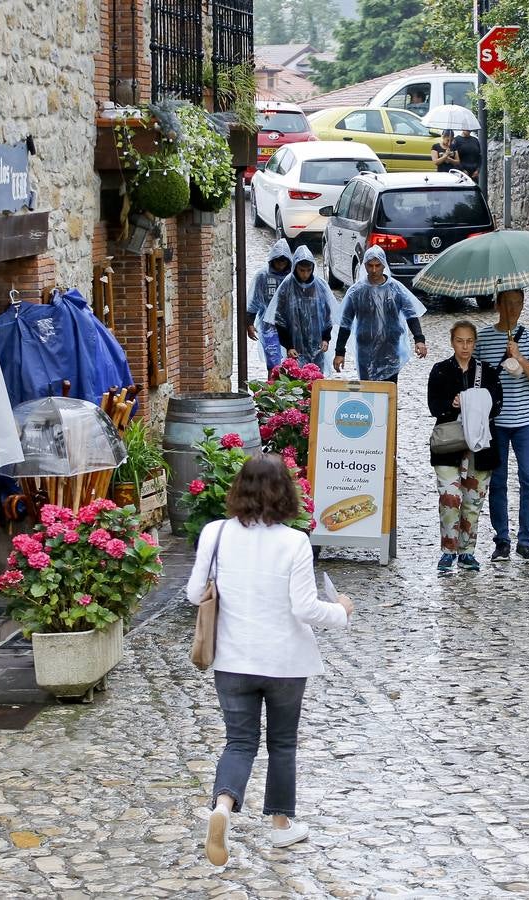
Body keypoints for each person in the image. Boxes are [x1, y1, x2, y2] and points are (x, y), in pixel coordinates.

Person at [188, 454, 354, 867]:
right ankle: (281, 826)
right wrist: (342, 611)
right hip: (284, 661)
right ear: (285, 493)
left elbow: (194, 594)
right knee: (282, 742)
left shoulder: (216, 533)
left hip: (232, 657)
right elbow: (304, 608)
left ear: (238, 489)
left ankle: (222, 808)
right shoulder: (295, 541)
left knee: (239, 742)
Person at [474, 288, 529, 562]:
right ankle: (502, 539)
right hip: (497, 423)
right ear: (498, 305)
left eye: (518, 304)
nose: (513, 310)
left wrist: (520, 358)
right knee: (499, 482)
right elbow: (477, 377)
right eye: (508, 304)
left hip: (526, 421)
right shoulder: (483, 338)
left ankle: (526, 541)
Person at [427, 321, 503, 573]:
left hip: (480, 445)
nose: (465, 346)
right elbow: (434, 406)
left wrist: (478, 403)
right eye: (460, 341)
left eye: (469, 341)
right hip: (449, 442)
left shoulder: (488, 372)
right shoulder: (440, 371)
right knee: (451, 496)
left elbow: (497, 404)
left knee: (472, 499)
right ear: (452, 342)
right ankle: (448, 550)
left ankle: (467, 552)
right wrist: (453, 404)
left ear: (475, 343)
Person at [331, 246, 428, 382]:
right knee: (369, 392)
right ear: (365, 266)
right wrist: (339, 352)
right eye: (370, 266)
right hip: (365, 350)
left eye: (378, 265)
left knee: (389, 391)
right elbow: (345, 323)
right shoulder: (356, 292)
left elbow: (411, 315)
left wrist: (419, 340)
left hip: (390, 349)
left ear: (384, 265)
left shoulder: (396, 289)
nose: (374, 270)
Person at [264, 245, 336, 372]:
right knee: (297, 380)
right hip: (295, 348)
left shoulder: (320, 286)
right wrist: (288, 346)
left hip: (317, 345)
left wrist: (326, 338)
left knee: (316, 379)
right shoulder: (287, 286)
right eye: (302, 270)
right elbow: (280, 319)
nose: (305, 274)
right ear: (295, 268)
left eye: (308, 270)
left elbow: (327, 316)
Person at [246, 239, 293, 375]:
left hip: (291, 324)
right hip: (269, 324)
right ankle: (273, 388)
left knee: (292, 361)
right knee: (273, 361)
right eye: (278, 260)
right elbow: (254, 301)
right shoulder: (263, 276)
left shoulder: (293, 277)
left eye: (284, 261)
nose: (280, 264)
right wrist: (250, 323)